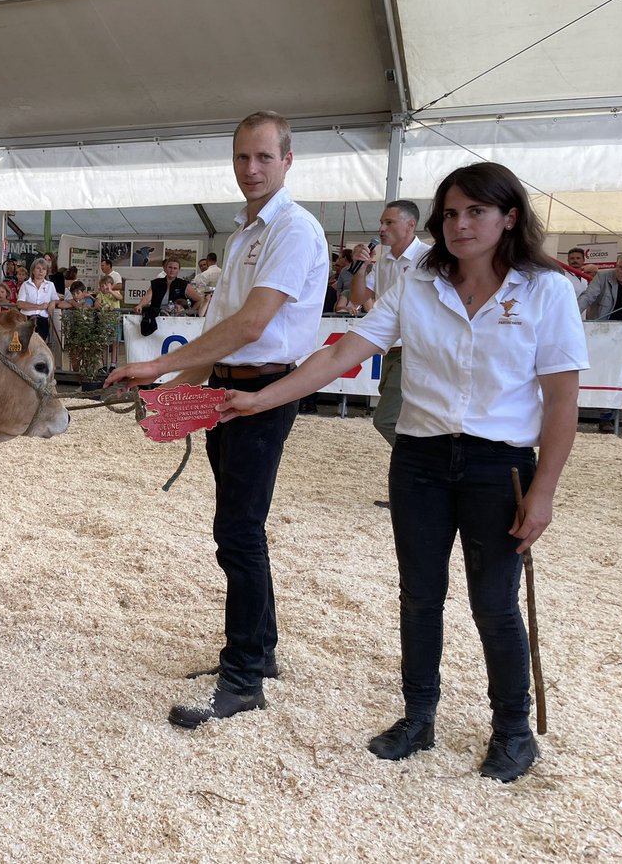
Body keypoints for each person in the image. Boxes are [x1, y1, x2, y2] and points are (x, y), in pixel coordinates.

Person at [217, 161, 587, 782]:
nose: (461, 225)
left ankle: (513, 730)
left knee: (494, 603)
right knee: (419, 596)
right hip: (419, 459)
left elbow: (563, 400)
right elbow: (346, 351)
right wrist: (261, 399)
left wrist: (543, 490)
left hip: (500, 467)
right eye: (451, 213)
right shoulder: (419, 281)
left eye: (476, 212)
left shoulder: (545, 290)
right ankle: (419, 717)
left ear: (509, 218)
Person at [104, 111, 328, 729]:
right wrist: (170, 390)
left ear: (287, 161)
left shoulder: (293, 229)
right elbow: (224, 336)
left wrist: (157, 366)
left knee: (238, 531)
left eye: (263, 157)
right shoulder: (243, 234)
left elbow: (253, 326)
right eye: (241, 157)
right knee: (241, 527)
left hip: (263, 392)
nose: (251, 169)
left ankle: (243, 676)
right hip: (228, 390)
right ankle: (261, 651)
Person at [351, 201, 433, 450]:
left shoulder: (427, 257)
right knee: (400, 418)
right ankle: (417, 461)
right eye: (381, 223)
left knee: (386, 419)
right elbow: (358, 298)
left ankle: (418, 462)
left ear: (410, 225)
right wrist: (360, 269)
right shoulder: (385, 261)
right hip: (392, 348)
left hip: (414, 349)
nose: (381, 229)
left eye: (389, 222)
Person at [576, 251, 622, 432]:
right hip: (603, 333)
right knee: (599, 373)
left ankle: (607, 417)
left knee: (620, 376)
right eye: (620, 267)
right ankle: (578, 413)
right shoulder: (602, 277)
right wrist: (571, 315)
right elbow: (587, 297)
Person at [134, 257, 203, 316]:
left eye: (175, 268)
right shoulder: (156, 283)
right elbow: (148, 297)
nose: (172, 270)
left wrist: (188, 312)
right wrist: (140, 305)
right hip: (156, 316)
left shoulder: (184, 284)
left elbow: (199, 300)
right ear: (165, 268)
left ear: (178, 270)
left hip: (176, 318)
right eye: (170, 267)